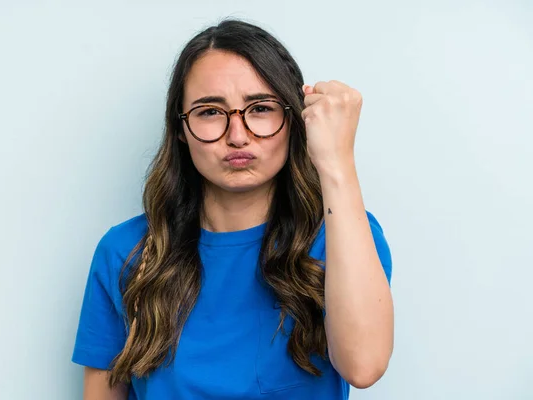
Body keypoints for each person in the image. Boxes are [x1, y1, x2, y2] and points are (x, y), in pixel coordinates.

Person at [72, 18, 394, 400]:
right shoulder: (125, 252)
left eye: (260, 109)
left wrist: (336, 161)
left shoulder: (345, 235)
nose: (237, 136)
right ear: (180, 128)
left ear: (293, 119)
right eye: (210, 112)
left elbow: (364, 366)